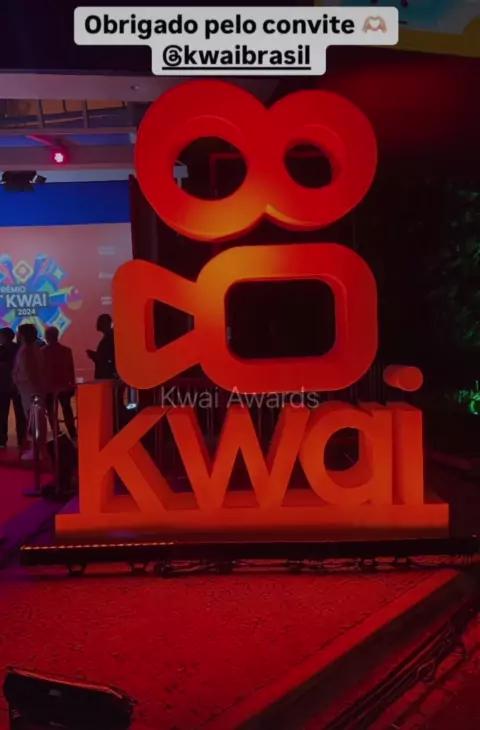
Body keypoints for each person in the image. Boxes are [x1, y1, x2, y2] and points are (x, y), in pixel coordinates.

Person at [13, 323, 46, 460]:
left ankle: (38, 450)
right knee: (35, 420)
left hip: (30, 391)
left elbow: (30, 373)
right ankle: (38, 448)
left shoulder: (28, 351)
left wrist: (32, 389)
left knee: (35, 420)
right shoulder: (31, 349)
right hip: (29, 390)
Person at [41, 326, 77, 441]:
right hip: (64, 386)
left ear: (47, 337)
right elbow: (71, 368)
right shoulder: (66, 350)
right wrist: (72, 383)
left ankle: (56, 432)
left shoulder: (42, 352)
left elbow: (40, 371)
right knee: (67, 409)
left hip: (48, 387)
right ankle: (72, 431)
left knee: (51, 411)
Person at [0, 327, 27, 448]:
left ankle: (2, 439)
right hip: (17, 386)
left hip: (4, 386)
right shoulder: (19, 348)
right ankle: (22, 439)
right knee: (20, 414)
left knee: (2, 414)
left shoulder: (2, 350)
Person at [87, 314, 116, 380]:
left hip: (107, 376)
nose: (96, 324)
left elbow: (106, 358)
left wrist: (95, 356)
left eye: (99, 322)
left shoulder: (110, 338)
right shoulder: (109, 337)